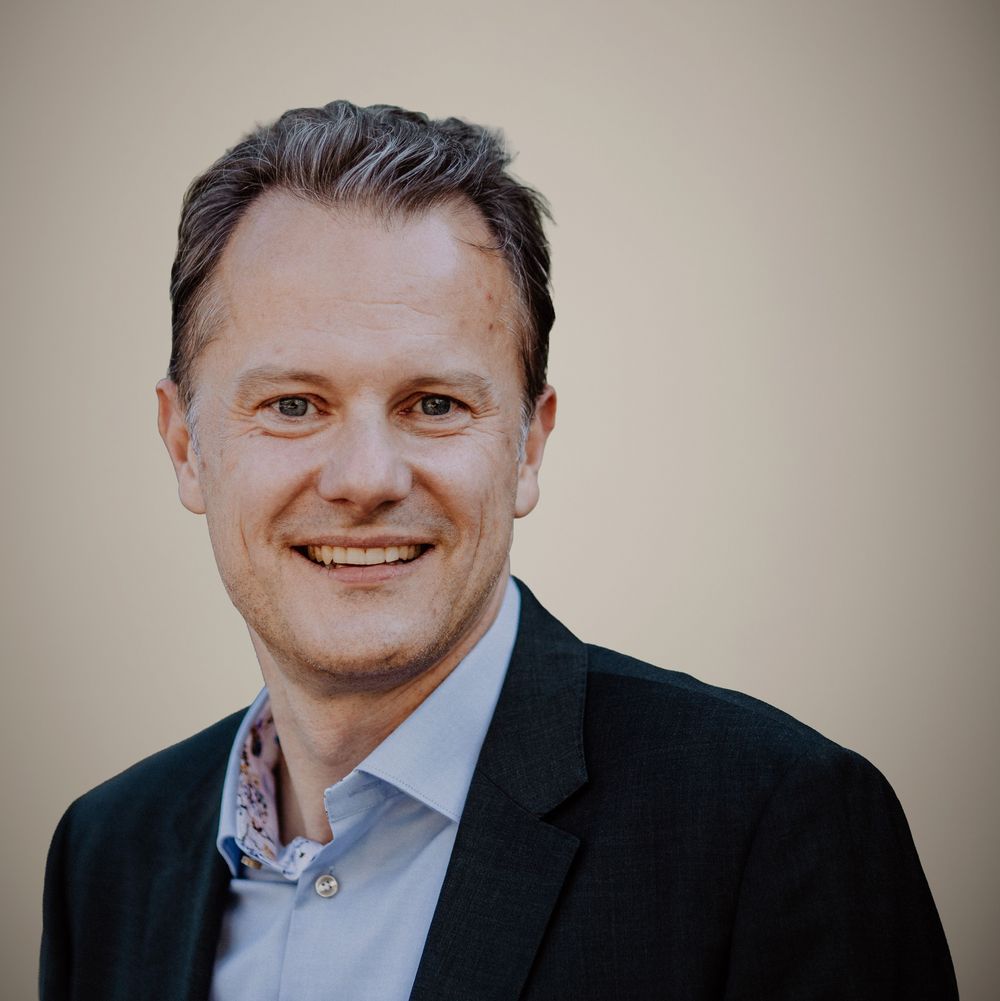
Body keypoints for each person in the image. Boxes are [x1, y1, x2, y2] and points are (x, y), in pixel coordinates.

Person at [40, 100, 958, 1001]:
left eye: (435, 404)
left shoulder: (773, 826)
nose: (367, 479)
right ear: (184, 445)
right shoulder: (106, 855)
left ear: (528, 445)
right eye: (293, 405)